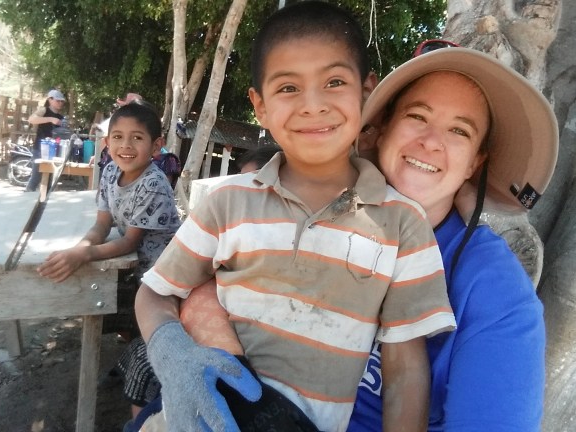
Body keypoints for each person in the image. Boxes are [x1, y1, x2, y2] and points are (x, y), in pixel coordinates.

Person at [133, 2, 455, 432]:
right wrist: (174, 356)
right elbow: (154, 294)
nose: (313, 105)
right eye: (288, 88)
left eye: (334, 82)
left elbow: (405, 369)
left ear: (366, 90)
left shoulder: (403, 223)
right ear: (260, 106)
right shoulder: (227, 202)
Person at [346, 41, 557, 431]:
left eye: (459, 130)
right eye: (417, 116)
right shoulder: (316, 206)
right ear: (383, 129)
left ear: (474, 162)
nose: (431, 141)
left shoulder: (493, 286)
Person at [35, 100, 181, 420]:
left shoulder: (154, 184)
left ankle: (148, 373)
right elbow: (102, 225)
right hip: (135, 264)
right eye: (117, 137)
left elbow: (129, 241)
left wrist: (85, 254)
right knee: (115, 313)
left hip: (162, 274)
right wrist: (80, 247)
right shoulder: (111, 170)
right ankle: (132, 353)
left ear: (156, 146)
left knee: (131, 320)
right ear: (106, 142)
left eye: (137, 138)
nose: (125, 145)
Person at [25, 89, 65, 192]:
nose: (60, 103)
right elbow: (31, 119)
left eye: (62, 101)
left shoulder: (61, 117)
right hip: (40, 149)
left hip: (54, 150)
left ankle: (44, 198)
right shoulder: (43, 110)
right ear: (50, 100)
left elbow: (62, 135)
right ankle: (27, 195)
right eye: (58, 100)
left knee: (51, 179)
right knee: (36, 177)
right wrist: (50, 119)